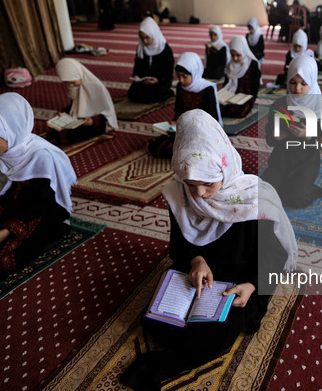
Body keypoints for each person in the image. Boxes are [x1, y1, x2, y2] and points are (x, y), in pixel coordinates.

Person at [120, 109, 297, 389]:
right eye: (191, 184)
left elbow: (274, 256)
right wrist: (197, 261)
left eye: (208, 183)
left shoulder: (254, 198)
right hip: (201, 272)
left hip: (244, 276)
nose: (200, 193)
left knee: (221, 331)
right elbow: (179, 245)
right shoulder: (178, 193)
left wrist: (252, 285)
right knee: (155, 318)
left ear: (223, 169)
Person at [0, 93, 76, 276]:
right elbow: (5, 195)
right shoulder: (0, 151)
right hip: (16, 206)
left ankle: (56, 231)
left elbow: (41, 206)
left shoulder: (42, 156)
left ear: (11, 129)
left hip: (44, 213)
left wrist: (2, 233)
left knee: (0, 259)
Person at [262, 55, 322, 208]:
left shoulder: (316, 107)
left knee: (297, 199)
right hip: (281, 159)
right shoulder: (280, 104)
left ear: (312, 83)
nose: (297, 88)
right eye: (293, 82)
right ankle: (289, 187)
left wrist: (307, 136)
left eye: (303, 83)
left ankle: (311, 190)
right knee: (263, 192)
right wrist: (275, 136)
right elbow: (269, 138)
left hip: (306, 161)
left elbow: (321, 138)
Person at [149, 52, 222, 158]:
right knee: (158, 147)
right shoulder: (180, 86)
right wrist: (176, 121)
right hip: (184, 127)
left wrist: (193, 126)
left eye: (184, 76)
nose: (181, 80)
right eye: (178, 76)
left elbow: (212, 116)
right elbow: (179, 108)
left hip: (202, 130)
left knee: (194, 153)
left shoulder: (207, 89)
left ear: (195, 73)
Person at [53, 58, 118, 145]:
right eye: (67, 83)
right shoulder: (74, 86)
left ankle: (103, 129)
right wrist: (62, 113)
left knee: (69, 135)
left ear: (78, 73)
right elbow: (74, 106)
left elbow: (106, 112)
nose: (70, 85)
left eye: (72, 82)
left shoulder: (95, 87)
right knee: (55, 128)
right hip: (80, 120)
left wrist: (92, 120)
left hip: (96, 122)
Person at [128, 17, 174, 103]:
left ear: (153, 34)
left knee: (157, 94)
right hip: (145, 81)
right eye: (142, 38)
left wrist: (158, 79)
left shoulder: (164, 49)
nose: (144, 41)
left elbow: (168, 71)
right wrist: (137, 76)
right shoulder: (141, 48)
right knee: (132, 93)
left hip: (159, 81)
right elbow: (137, 66)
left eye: (147, 37)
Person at [220, 36, 261, 118]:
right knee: (217, 106)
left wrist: (251, 98)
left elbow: (255, 84)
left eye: (238, 55)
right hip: (231, 96)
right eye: (232, 55)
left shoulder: (252, 64)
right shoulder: (230, 65)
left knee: (237, 112)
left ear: (243, 51)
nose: (235, 58)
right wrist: (224, 94)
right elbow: (226, 82)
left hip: (245, 97)